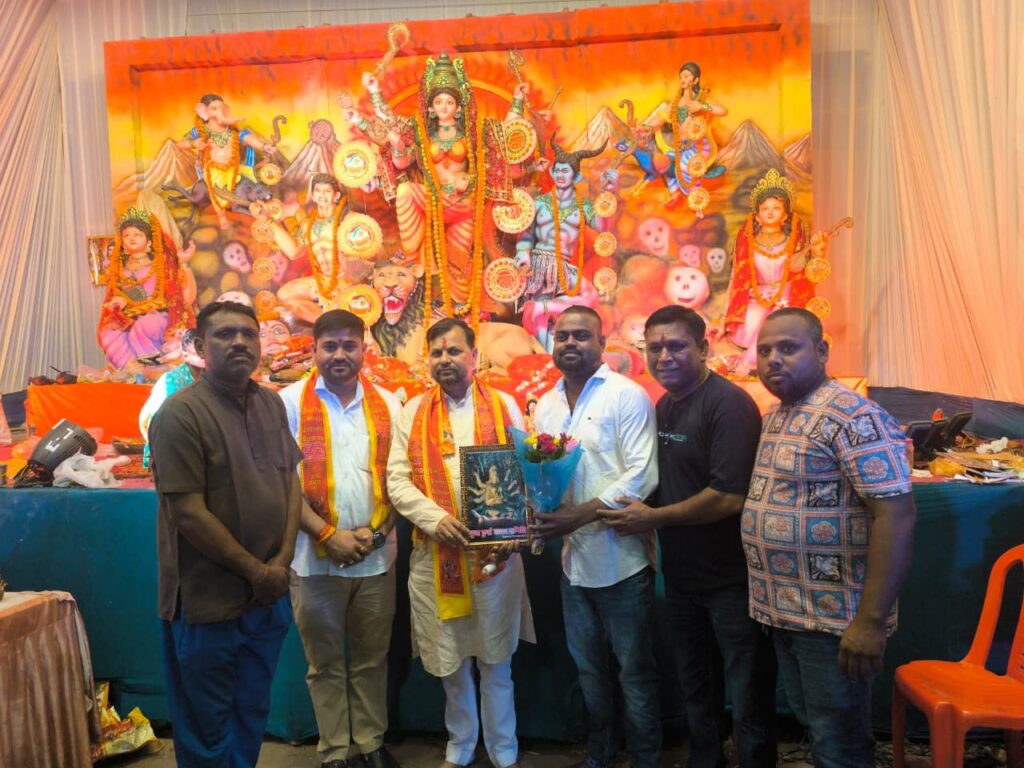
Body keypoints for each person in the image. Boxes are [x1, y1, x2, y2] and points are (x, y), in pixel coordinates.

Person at [598, 305, 776, 768]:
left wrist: (652, 519)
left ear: (703, 348)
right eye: (654, 347)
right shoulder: (664, 405)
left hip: (732, 580)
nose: (664, 356)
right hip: (681, 579)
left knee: (748, 694)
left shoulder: (729, 404)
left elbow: (727, 497)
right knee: (697, 689)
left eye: (676, 346)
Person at [742, 308, 916, 768]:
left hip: (836, 620)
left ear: (821, 351)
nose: (773, 359)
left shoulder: (855, 416)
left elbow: (895, 516)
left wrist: (870, 622)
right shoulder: (777, 415)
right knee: (818, 728)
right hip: (787, 613)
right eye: (765, 350)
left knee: (839, 743)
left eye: (788, 348)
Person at [148, 300, 302, 768]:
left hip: (265, 600)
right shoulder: (179, 414)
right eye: (224, 334)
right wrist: (258, 571)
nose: (239, 342)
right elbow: (188, 513)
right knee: (207, 727)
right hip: (207, 604)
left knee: (250, 713)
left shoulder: (270, 403)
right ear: (198, 346)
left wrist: (281, 563)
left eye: (248, 334)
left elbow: (290, 483)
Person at [387, 318, 533, 768]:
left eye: (454, 351)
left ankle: (504, 749)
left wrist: (513, 527)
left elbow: (527, 471)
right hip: (437, 555)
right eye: (437, 352)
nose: (445, 359)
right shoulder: (413, 412)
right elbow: (397, 480)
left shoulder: (504, 405)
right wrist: (436, 520)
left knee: (496, 660)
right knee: (451, 663)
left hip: (495, 560)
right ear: (427, 360)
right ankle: (460, 745)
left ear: (475, 356)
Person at [531, 306, 660, 768]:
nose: (570, 343)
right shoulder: (546, 405)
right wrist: (538, 508)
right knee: (589, 672)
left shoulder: (627, 396)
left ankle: (645, 760)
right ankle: (600, 756)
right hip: (575, 565)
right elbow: (544, 475)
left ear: (602, 344)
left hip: (623, 561)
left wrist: (577, 517)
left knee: (635, 675)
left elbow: (642, 475)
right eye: (562, 335)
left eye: (581, 335)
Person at [277, 310, 403, 768]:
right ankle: (333, 751)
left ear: (364, 350)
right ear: (313, 350)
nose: (339, 355)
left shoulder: (389, 403)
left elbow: (402, 479)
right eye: (329, 346)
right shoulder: (289, 403)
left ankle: (370, 743)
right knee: (324, 663)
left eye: (349, 345)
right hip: (314, 559)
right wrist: (327, 535)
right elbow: (282, 482)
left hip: (376, 557)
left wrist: (379, 533)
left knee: (372, 658)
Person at [351, 53, 538, 319]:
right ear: (430, 106)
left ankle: (461, 310)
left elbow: (505, 135)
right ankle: (412, 255)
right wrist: (374, 90)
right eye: (438, 101)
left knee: (458, 260)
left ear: (458, 106)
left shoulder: (473, 130)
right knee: (405, 191)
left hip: (464, 204)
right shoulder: (420, 132)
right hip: (432, 199)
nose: (443, 106)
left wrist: (517, 100)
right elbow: (392, 131)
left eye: (449, 101)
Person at [718, 168, 829, 374]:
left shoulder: (795, 245)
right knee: (753, 322)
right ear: (757, 216)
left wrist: (819, 254)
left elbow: (809, 277)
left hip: (787, 299)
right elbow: (735, 281)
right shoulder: (747, 244)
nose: (770, 212)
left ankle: (745, 366)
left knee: (775, 322)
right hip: (754, 300)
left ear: (785, 215)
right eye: (765, 208)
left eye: (776, 208)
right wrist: (724, 316)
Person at [98, 207, 196, 368]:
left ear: (149, 242)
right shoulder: (118, 271)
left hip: (159, 317)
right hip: (128, 319)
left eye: (137, 234)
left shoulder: (162, 266)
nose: (131, 238)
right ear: (122, 242)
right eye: (127, 235)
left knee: (145, 325)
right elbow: (114, 300)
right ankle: (134, 371)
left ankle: (154, 368)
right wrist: (117, 302)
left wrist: (184, 264)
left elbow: (186, 297)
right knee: (108, 332)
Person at [139, 328, 205, 468]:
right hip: (172, 446)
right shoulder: (171, 381)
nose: (206, 356)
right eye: (200, 351)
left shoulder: (215, 377)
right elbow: (163, 424)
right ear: (186, 355)